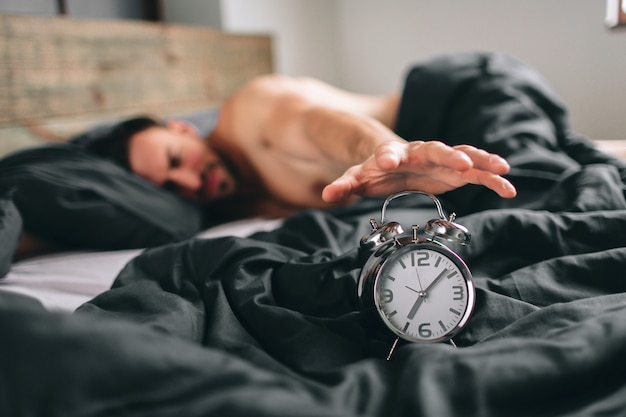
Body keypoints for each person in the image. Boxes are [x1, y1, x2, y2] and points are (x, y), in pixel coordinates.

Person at [85, 74, 517, 221]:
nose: (187, 181)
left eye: (175, 160)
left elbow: (317, 124)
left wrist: (387, 150)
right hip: (433, 162)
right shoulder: (230, 205)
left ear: (181, 129)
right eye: (167, 186)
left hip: (452, 101)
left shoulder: (252, 113)